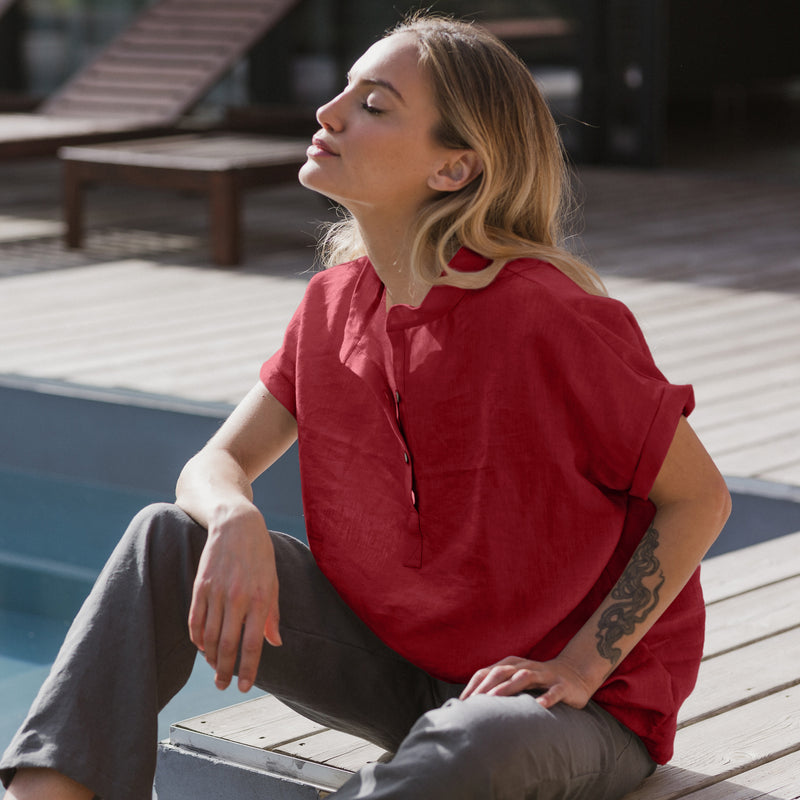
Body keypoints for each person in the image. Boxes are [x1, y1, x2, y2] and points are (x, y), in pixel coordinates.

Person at [2, 13, 730, 800]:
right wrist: (234, 516)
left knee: (472, 745)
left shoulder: (547, 317)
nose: (330, 112)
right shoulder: (332, 306)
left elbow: (698, 498)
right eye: (344, 88)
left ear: (454, 169)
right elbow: (212, 465)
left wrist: (580, 666)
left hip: (565, 711)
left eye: (375, 105)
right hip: (405, 674)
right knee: (168, 539)